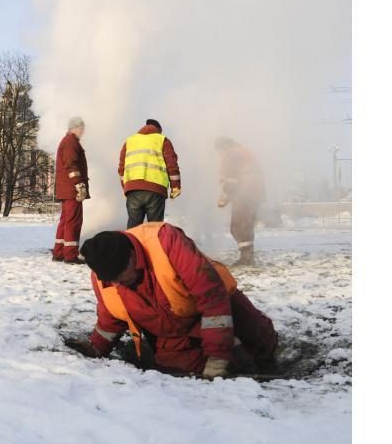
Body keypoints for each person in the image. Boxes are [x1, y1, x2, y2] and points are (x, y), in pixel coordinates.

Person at [71, 222, 279, 378]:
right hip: (170, 335)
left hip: (218, 304)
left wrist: (217, 356)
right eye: (112, 279)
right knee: (183, 372)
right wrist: (96, 348)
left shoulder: (164, 241)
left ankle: (261, 362)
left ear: (132, 256)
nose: (118, 283)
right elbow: (110, 320)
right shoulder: (105, 278)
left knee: (257, 335)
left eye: (120, 275)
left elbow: (211, 295)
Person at [117, 119, 181, 228]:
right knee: (155, 228)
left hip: (133, 190)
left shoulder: (129, 141)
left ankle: (131, 245)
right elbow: (172, 164)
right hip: (155, 190)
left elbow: (122, 169)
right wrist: (175, 186)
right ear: (158, 130)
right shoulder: (162, 140)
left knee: (133, 229)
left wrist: (125, 187)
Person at [215, 137, 265, 266]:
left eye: (219, 150)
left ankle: (247, 258)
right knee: (246, 225)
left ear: (223, 147)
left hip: (245, 193)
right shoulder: (242, 152)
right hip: (255, 193)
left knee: (238, 226)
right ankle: (248, 257)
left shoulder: (232, 154)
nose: (219, 154)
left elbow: (231, 180)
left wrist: (225, 197)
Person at [52, 117, 89, 264]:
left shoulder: (67, 141)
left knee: (65, 221)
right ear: (75, 127)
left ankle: (59, 252)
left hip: (65, 189)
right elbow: (71, 165)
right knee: (73, 221)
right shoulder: (71, 142)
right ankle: (70, 255)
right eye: (81, 128)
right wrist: (79, 185)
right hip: (71, 189)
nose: (83, 132)